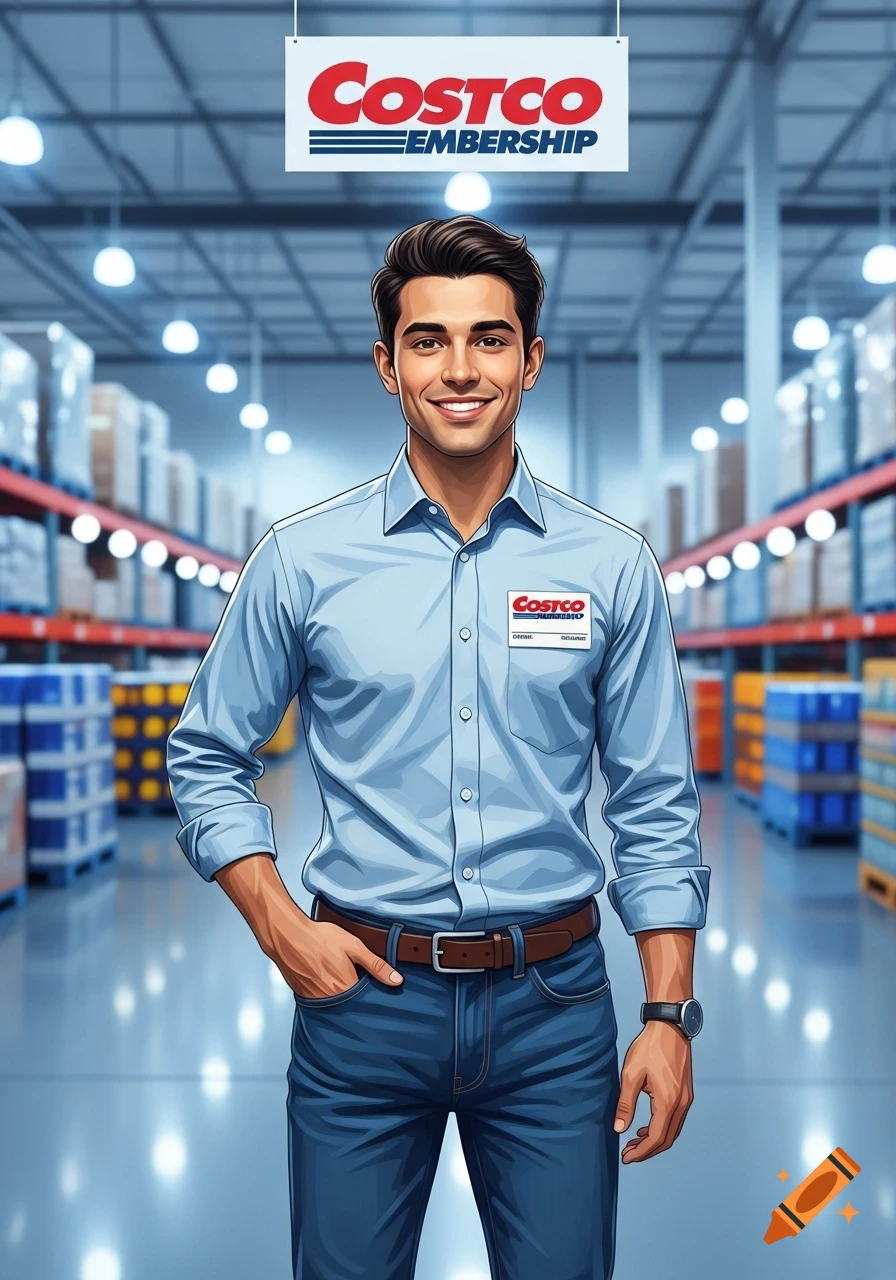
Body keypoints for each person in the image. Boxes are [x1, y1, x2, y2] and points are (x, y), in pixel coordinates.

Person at [167, 214, 710, 1280]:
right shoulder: (301, 561)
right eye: (428, 340)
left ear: (530, 359)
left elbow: (654, 798)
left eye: (489, 338)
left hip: (555, 1011)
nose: (460, 369)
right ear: (388, 365)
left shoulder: (611, 567)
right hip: (362, 1005)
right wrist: (280, 927)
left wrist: (667, 1011)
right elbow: (205, 755)